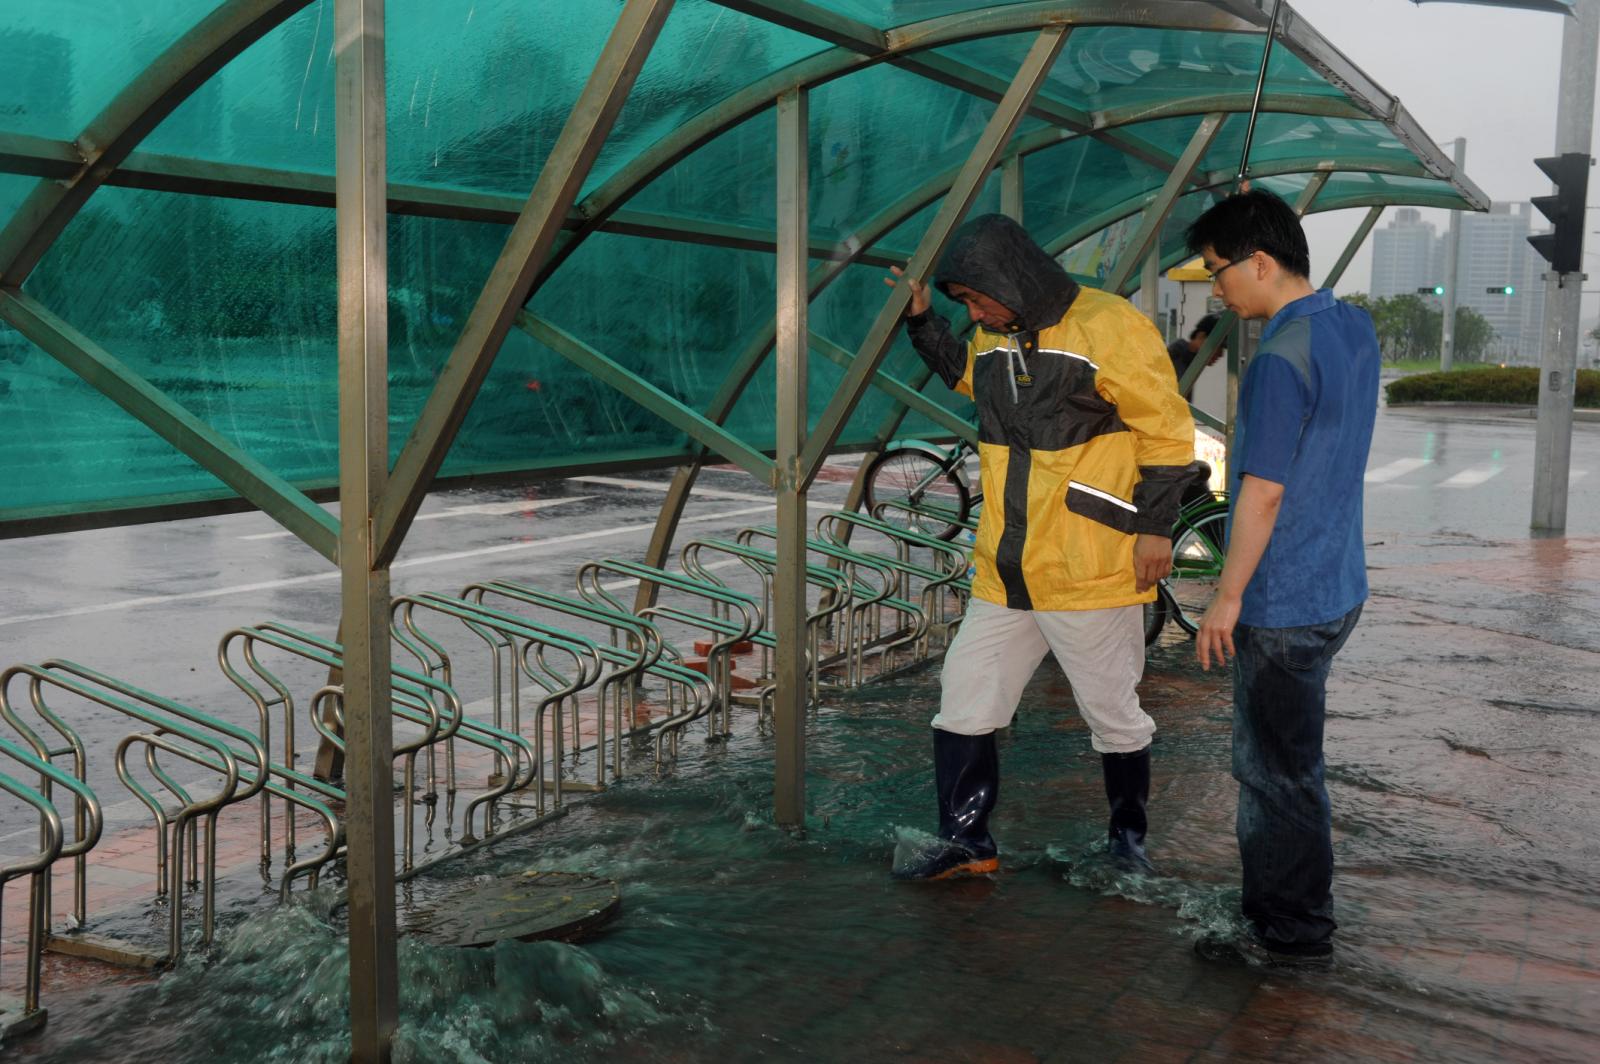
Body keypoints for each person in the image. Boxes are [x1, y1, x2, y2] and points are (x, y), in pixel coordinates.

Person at [884, 213, 1196, 880]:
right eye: (963, 303)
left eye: (975, 297)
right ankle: (967, 843)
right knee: (965, 699)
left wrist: (1156, 528)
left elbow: (1167, 433)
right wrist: (921, 323)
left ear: (1012, 280)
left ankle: (1128, 843)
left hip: (1088, 564)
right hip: (1007, 568)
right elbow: (966, 378)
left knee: (1112, 712)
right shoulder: (994, 339)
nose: (974, 311)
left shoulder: (1108, 325)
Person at [1182, 190, 1379, 967]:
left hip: (1284, 598)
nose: (1216, 290)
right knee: (1292, 766)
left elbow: (1261, 492)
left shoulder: (1276, 361)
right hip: (1339, 585)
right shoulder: (1353, 326)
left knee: (1272, 775)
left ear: (1260, 263)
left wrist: (1224, 601)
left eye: (1217, 271)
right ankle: (1287, 913)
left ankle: (1289, 932)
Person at [1167, 313, 1221, 396]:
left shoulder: (1190, 363)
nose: (1221, 354)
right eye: (1218, 345)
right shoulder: (1173, 356)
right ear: (1201, 336)